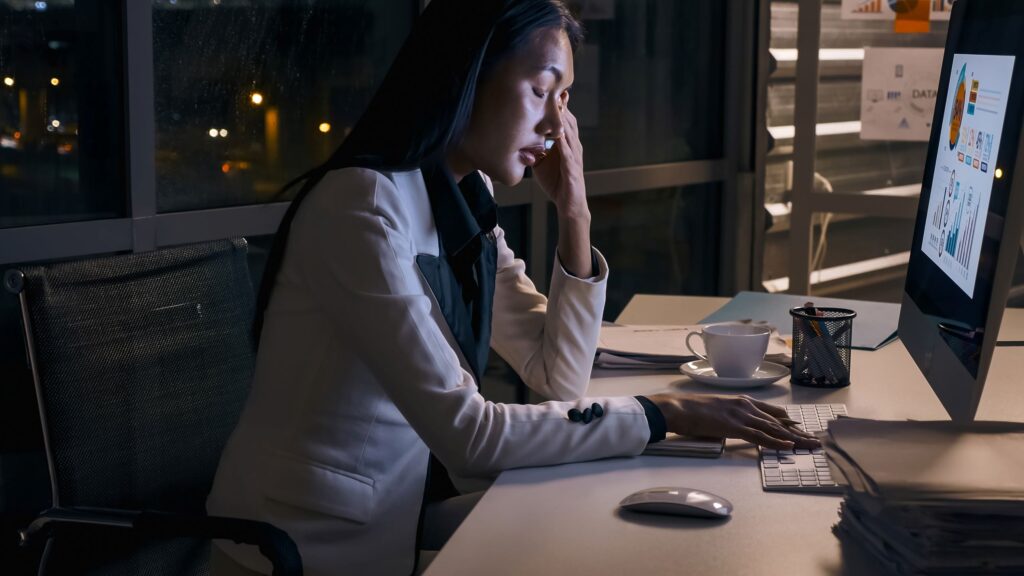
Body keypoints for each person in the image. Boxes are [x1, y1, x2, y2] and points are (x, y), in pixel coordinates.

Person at [206, 1, 818, 574]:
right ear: (468, 76)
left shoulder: (459, 203)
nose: (557, 122)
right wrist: (666, 413)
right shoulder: (363, 208)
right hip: (302, 547)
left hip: (395, 514)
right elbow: (471, 436)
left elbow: (557, 376)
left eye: (565, 98)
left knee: (601, 524)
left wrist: (573, 213)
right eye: (540, 90)